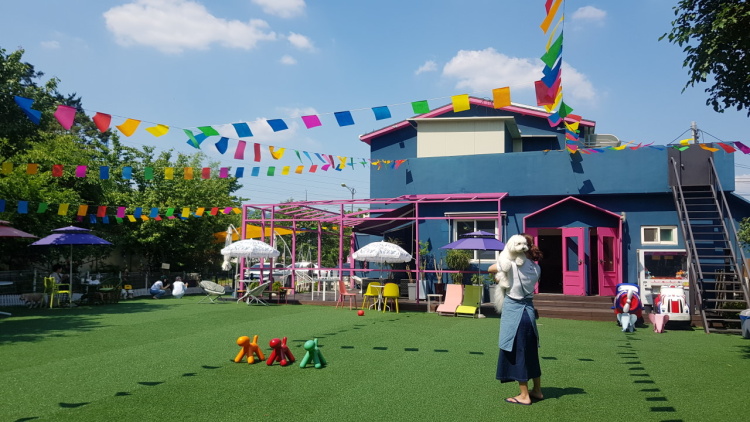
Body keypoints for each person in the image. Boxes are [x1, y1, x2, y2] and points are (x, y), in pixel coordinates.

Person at [489, 233, 543, 405]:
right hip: (529, 313)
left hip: (515, 314)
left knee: (518, 353)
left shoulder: (511, 265)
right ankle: (537, 390)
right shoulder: (536, 269)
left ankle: (524, 395)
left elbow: (491, 268)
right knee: (531, 353)